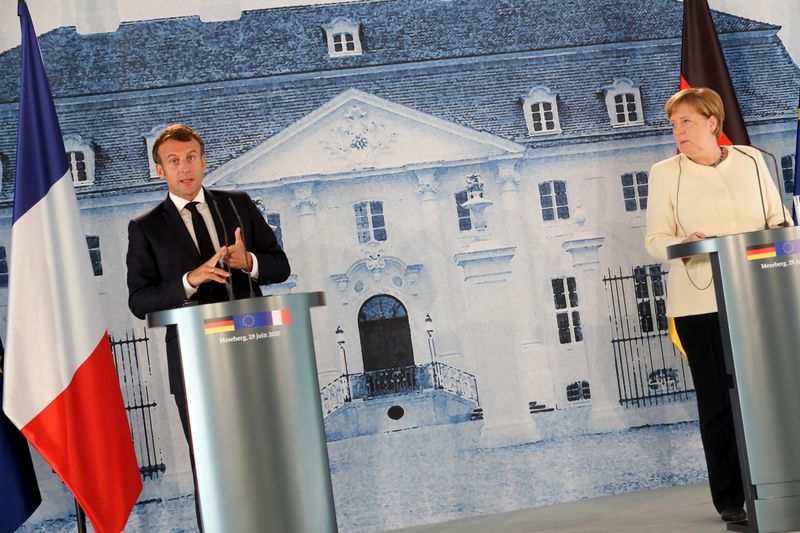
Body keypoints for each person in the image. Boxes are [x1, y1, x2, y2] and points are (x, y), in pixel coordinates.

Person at [126, 124, 290, 529]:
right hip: (194, 363)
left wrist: (247, 262)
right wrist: (188, 281)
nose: (185, 167)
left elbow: (280, 266)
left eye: (191, 158)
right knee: (212, 467)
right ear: (160, 170)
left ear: (203, 159)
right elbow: (138, 301)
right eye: (174, 161)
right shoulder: (145, 228)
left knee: (267, 457)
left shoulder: (238, 205)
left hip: (253, 346)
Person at [645, 87, 790, 524]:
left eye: (686, 122)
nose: (678, 131)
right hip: (699, 304)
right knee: (717, 402)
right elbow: (655, 241)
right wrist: (683, 244)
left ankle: (781, 484)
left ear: (712, 123)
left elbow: (777, 222)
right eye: (673, 124)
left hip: (759, 297)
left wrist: (783, 232)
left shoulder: (750, 161)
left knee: (772, 394)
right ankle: (730, 500)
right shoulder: (665, 172)